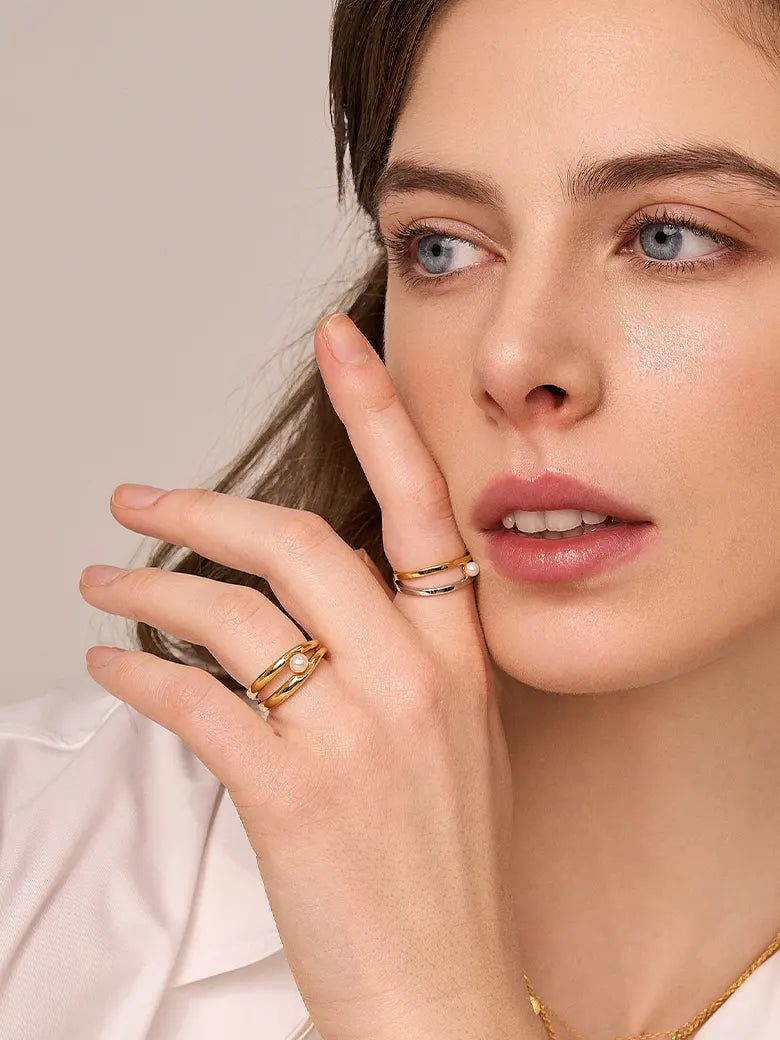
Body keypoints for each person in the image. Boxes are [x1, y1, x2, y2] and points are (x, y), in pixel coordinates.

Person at [3, 0, 780, 1037]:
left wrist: (428, 1002)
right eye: (444, 247)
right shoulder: (39, 849)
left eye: (670, 236)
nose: (511, 360)